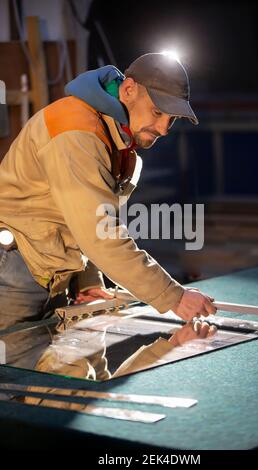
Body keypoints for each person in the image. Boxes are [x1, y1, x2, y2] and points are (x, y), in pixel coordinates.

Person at [0, 52, 216, 331]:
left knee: (70, 369)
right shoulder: (76, 131)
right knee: (13, 371)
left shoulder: (119, 141)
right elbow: (98, 234)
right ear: (128, 89)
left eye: (171, 119)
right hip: (12, 275)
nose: (164, 129)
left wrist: (87, 281)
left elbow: (82, 221)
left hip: (50, 275)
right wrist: (174, 297)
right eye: (158, 112)